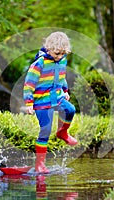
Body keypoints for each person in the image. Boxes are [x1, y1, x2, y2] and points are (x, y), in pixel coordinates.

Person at [23, 31, 78, 174]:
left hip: (58, 97)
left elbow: (61, 76)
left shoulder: (62, 60)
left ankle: (62, 132)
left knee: (70, 110)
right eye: (57, 54)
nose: (60, 57)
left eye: (62, 54)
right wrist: (29, 104)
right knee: (45, 130)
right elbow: (29, 84)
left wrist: (65, 90)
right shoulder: (39, 63)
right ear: (48, 49)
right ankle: (40, 164)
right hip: (42, 101)